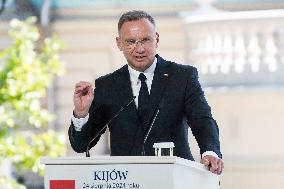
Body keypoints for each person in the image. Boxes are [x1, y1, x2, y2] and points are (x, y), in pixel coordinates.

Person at [69, 10, 224, 175]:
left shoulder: (182, 77)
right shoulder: (107, 85)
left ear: (156, 39)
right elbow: (81, 145)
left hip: (175, 178)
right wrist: (81, 113)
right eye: (130, 42)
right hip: (126, 180)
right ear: (119, 43)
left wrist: (210, 152)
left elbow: (202, 119)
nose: (139, 49)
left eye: (145, 40)